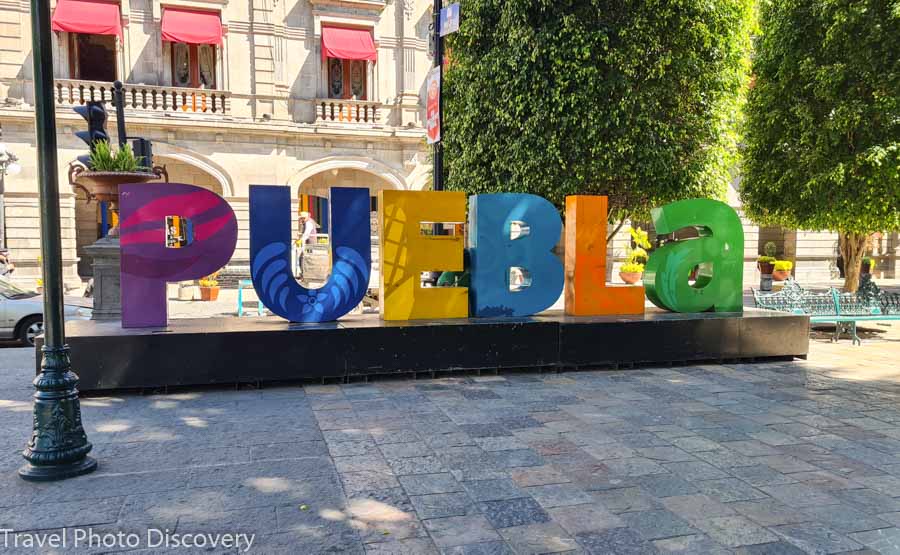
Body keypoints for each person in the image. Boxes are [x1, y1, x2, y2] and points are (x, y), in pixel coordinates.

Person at [296, 211, 318, 276]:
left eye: (303, 218)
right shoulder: (306, 222)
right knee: (304, 258)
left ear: (306, 217)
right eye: (301, 218)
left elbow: (307, 234)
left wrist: (300, 240)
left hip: (310, 244)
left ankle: (307, 274)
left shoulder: (309, 223)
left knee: (307, 259)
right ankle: (304, 274)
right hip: (308, 243)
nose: (302, 219)